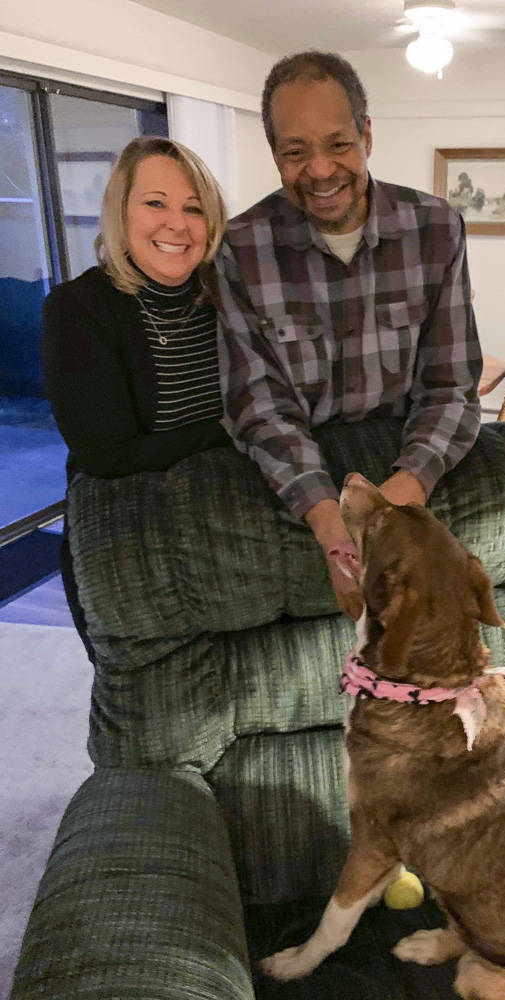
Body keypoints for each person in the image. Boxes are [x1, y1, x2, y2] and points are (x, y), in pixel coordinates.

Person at [215, 51, 482, 619]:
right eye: (295, 151)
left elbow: (451, 387)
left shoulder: (436, 229)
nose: (318, 170)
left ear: (365, 135)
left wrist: (390, 512)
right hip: (300, 485)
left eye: (337, 144)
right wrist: (335, 530)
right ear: (275, 155)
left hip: (407, 466)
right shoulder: (240, 248)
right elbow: (259, 407)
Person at [43, 136, 229, 654]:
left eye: (194, 208)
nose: (177, 224)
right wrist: (229, 431)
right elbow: (107, 453)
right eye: (155, 203)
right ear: (120, 210)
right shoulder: (77, 309)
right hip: (126, 543)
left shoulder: (227, 294)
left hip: (227, 532)